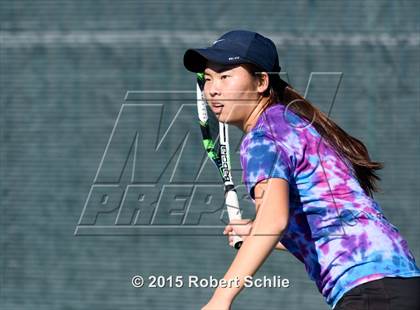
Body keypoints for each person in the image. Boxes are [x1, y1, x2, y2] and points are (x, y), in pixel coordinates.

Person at [183, 30, 420, 310]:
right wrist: (257, 231)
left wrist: (221, 298)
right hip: (401, 285)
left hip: (371, 292)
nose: (212, 89)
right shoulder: (292, 123)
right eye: (208, 78)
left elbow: (273, 222)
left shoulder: (263, 137)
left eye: (225, 76)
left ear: (261, 81)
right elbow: (330, 226)